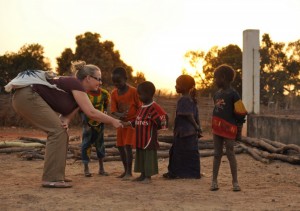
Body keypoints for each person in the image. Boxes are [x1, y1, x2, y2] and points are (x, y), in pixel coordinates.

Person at [5, 61, 122, 188]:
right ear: (88, 78)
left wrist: (65, 121)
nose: (100, 83)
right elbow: (91, 112)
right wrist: (113, 121)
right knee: (57, 132)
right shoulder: (75, 83)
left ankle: (57, 175)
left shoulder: (79, 92)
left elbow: (67, 117)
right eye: (98, 79)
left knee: (62, 132)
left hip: (25, 97)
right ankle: (51, 178)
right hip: (27, 96)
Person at [210, 64, 247, 192]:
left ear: (223, 77)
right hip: (217, 129)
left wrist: (239, 130)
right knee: (216, 154)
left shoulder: (234, 94)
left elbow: (241, 113)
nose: (215, 80)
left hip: (229, 129)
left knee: (230, 153)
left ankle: (235, 182)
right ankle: (214, 181)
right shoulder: (216, 94)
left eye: (216, 78)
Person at [125, 81, 168, 183]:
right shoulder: (141, 107)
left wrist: (155, 129)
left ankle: (148, 177)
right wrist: (127, 123)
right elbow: (137, 120)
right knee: (141, 156)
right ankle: (142, 175)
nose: (139, 96)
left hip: (149, 138)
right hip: (140, 138)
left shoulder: (154, 107)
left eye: (140, 94)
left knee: (148, 157)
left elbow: (163, 118)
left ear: (148, 94)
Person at [163, 75, 202, 179]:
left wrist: (196, 126)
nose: (175, 86)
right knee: (192, 153)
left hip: (183, 132)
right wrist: (198, 127)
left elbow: (188, 115)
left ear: (184, 87)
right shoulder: (192, 100)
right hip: (191, 133)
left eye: (177, 84)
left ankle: (175, 173)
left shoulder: (183, 100)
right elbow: (196, 116)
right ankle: (193, 173)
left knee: (177, 153)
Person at [110, 67, 142, 180]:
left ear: (125, 79)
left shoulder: (133, 91)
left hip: (132, 124)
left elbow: (140, 107)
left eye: (118, 81)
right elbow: (113, 111)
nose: (116, 84)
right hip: (121, 124)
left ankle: (129, 172)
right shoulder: (114, 93)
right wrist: (120, 115)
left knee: (128, 146)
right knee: (120, 146)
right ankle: (125, 170)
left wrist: (133, 121)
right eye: (114, 82)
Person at [81, 86, 110, 177]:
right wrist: (85, 124)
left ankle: (101, 168)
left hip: (100, 123)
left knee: (100, 144)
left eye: (100, 80)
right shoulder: (84, 94)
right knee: (86, 145)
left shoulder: (105, 93)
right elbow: (81, 110)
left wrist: (105, 112)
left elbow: (106, 104)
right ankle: (86, 168)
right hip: (88, 123)